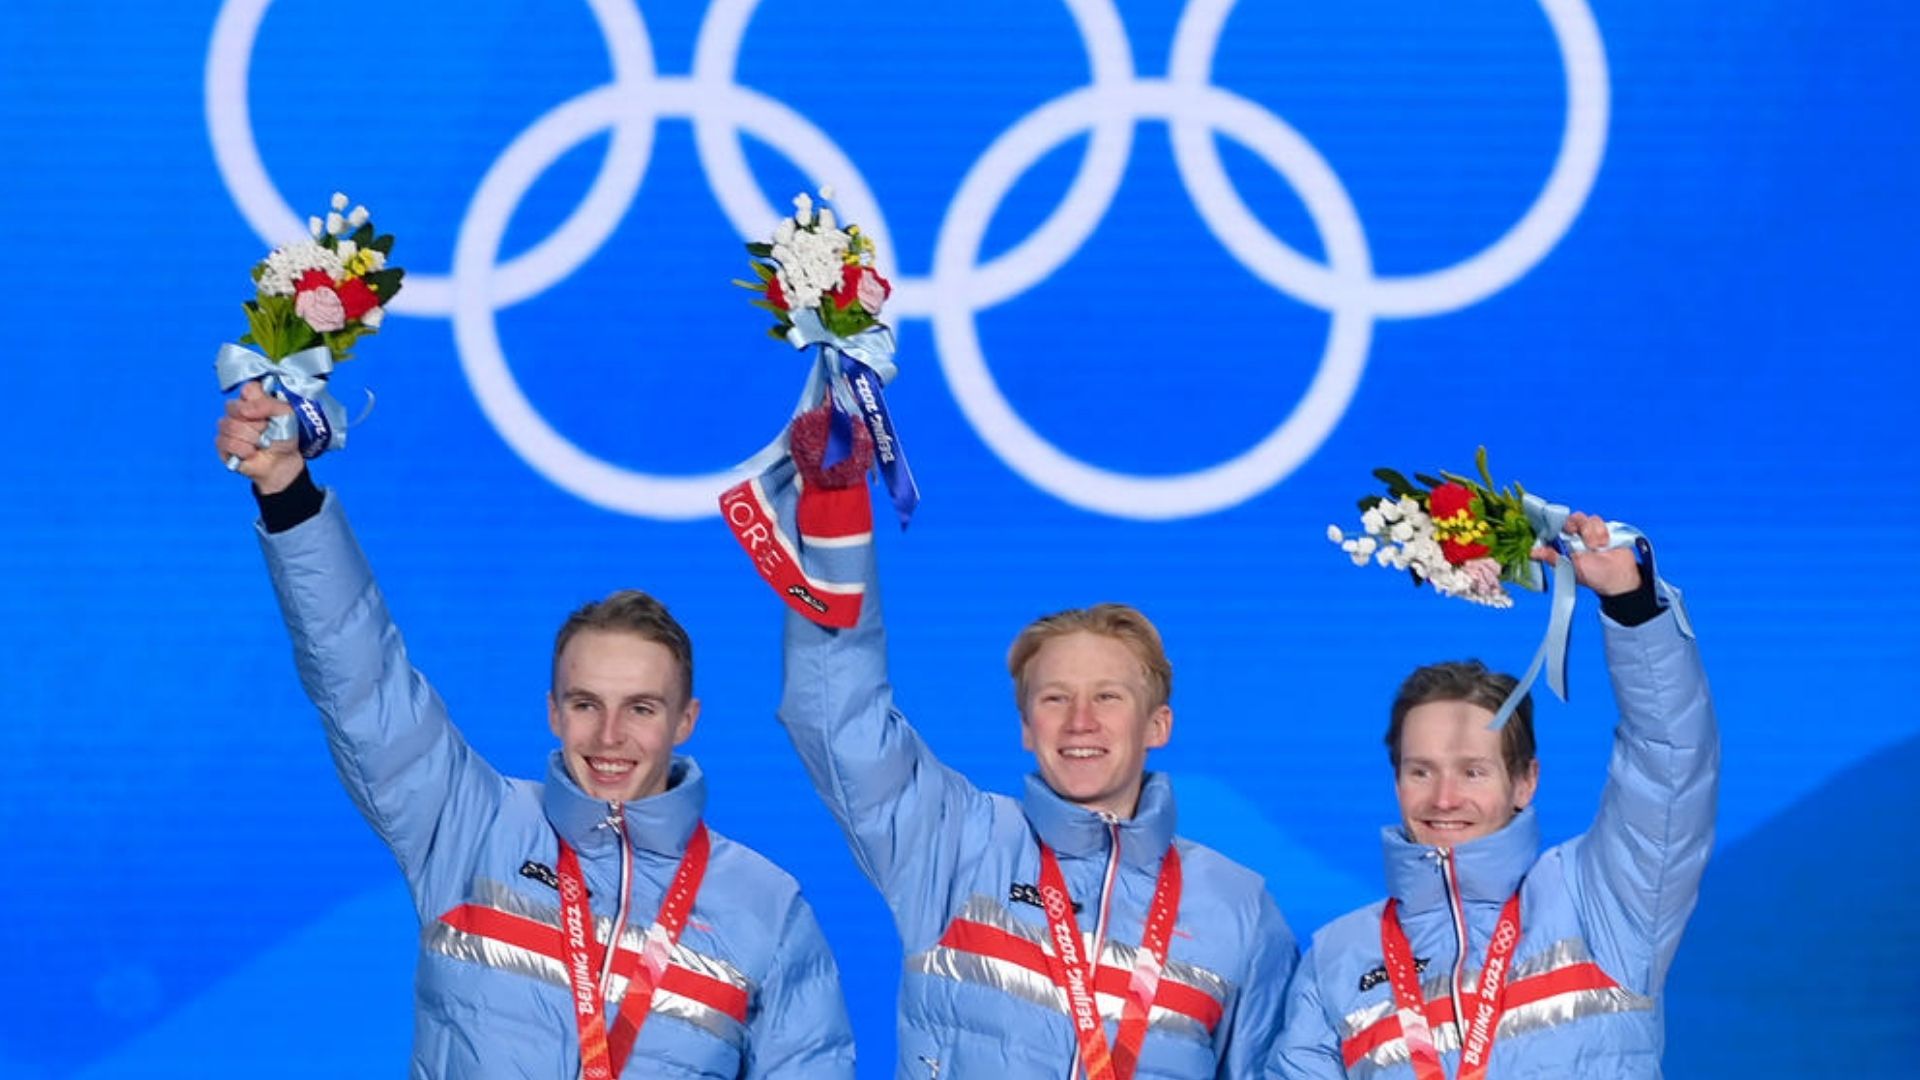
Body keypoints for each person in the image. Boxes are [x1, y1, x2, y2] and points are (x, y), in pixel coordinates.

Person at [216, 383, 854, 1079]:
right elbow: (360, 681)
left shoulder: (766, 905)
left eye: (641, 708)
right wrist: (288, 496)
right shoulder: (467, 827)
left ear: (684, 721)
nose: (610, 735)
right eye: (586, 704)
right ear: (553, 712)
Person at [748, 450, 1299, 1079]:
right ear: (1027, 730)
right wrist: (834, 528)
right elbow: (834, 718)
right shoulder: (953, 841)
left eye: (1108, 698)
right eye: (1055, 698)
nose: (1080, 721)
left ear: (1157, 726)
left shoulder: (1239, 907)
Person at [1270, 512, 1717, 1079]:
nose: (1445, 798)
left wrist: (1631, 605)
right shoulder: (1338, 958)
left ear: (1524, 781)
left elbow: (1671, 759)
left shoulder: (1600, 898)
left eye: (1474, 772)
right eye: (1421, 771)